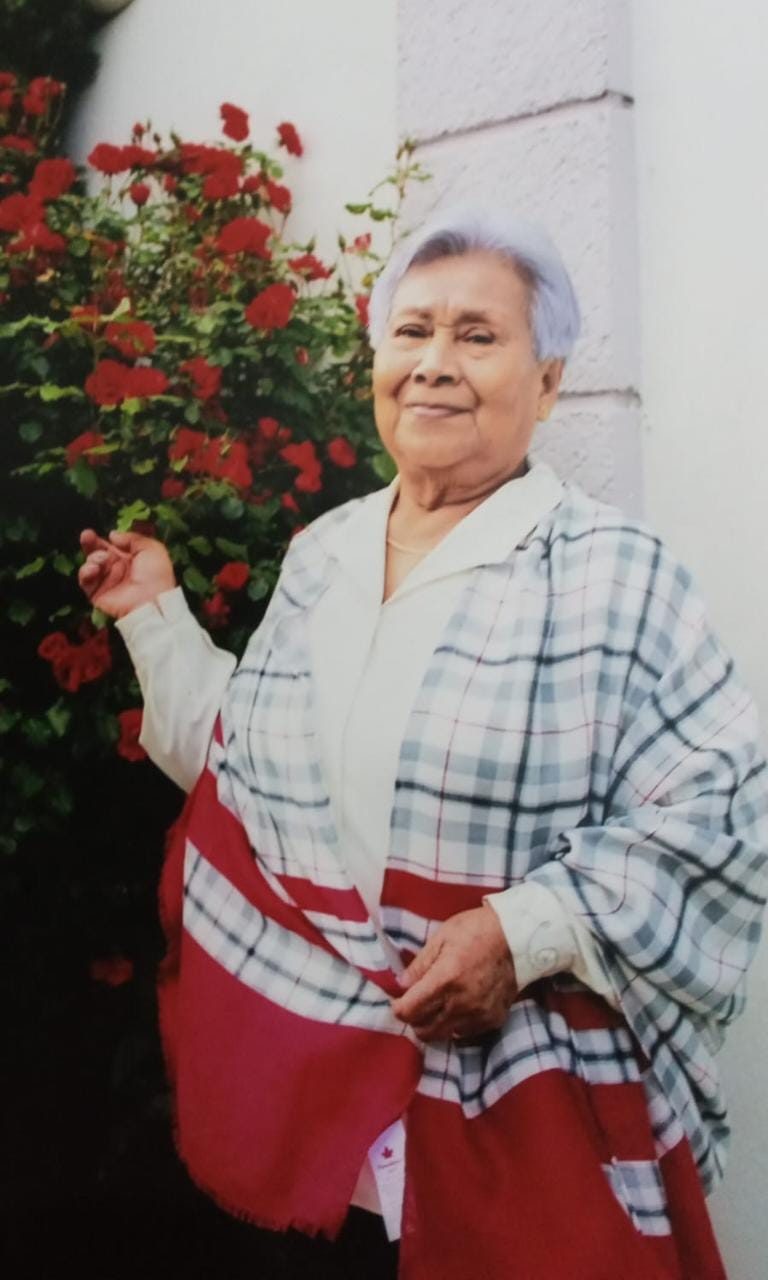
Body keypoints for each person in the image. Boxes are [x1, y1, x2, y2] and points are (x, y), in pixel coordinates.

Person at [78, 208, 767, 1280]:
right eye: (411, 331)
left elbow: (719, 815)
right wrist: (153, 620)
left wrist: (522, 932)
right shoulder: (326, 552)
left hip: (520, 1136)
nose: (435, 363)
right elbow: (257, 777)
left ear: (547, 382)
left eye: (477, 336)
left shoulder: (617, 575)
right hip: (318, 1122)